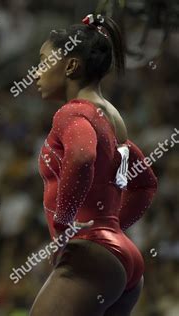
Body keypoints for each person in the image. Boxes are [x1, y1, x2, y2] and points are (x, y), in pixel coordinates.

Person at [31, 14, 158, 316]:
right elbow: (145, 183)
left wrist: (64, 228)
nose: (36, 73)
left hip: (91, 254)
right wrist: (111, 228)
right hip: (120, 259)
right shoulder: (112, 118)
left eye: (44, 61)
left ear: (71, 66)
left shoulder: (74, 112)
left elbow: (81, 157)